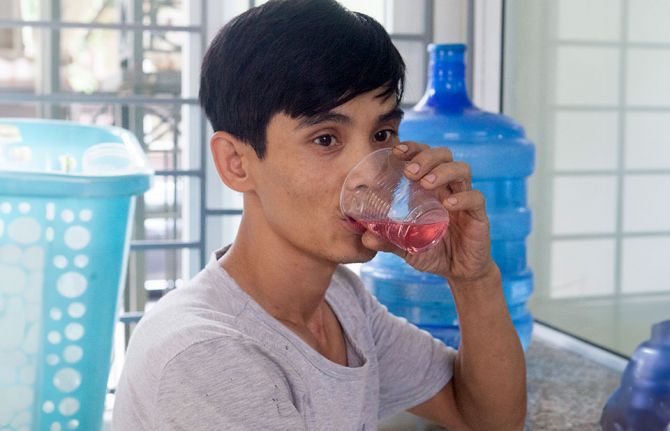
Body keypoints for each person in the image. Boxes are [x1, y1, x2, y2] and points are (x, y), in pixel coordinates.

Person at [112, 0, 526, 429]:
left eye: (382, 134)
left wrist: (473, 278)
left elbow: (486, 419)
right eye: (326, 139)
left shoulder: (342, 302)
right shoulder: (205, 356)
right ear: (237, 162)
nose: (370, 174)